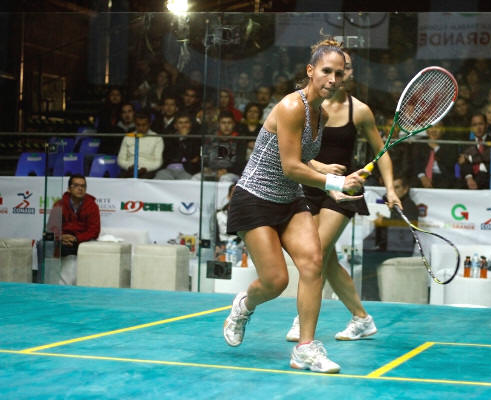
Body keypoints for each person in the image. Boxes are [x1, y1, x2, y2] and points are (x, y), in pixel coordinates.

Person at [223, 38, 367, 374]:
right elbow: (289, 166)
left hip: (290, 198)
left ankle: (305, 348)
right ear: (310, 71)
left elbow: (298, 157)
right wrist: (335, 184)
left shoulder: (320, 113)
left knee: (314, 263)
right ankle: (244, 305)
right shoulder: (291, 106)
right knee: (275, 281)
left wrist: (322, 169)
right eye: (326, 71)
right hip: (255, 198)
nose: (333, 79)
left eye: (339, 73)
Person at [284, 49, 402, 343]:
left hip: (345, 189)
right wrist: (319, 170)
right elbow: (294, 152)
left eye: (344, 69)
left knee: (316, 252)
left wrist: (390, 188)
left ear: (349, 73)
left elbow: (382, 152)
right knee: (326, 260)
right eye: (331, 69)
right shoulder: (305, 106)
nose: (337, 75)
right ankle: (361, 318)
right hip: (311, 184)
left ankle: (302, 319)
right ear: (316, 70)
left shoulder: (359, 111)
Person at [45, 174, 100, 285]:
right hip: (62, 240)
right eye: (76, 185)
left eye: (83, 186)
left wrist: (76, 238)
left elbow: (94, 231)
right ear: (69, 189)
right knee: (44, 245)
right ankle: (47, 282)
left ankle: (66, 284)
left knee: (68, 249)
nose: (80, 188)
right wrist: (61, 237)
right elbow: (52, 227)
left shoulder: (92, 206)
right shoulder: (59, 204)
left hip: (80, 241)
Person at [458, 113, 491, 190]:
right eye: (475, 125)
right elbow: (464, 165)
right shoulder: (466, 145)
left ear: (486, 125)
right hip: (471, 181)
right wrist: (469, 178)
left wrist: (470, 158)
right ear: (471, 128)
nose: (478, 128)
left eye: (481, 124)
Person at [411, 121, 458, 189]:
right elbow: (415, 164)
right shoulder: (419, 143)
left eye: (437, 127)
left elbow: (450, 164)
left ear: (443, 130)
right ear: (426, 130)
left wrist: (436, 147)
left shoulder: (450, 144)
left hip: (444, 177)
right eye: (430, 127)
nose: (433, 130)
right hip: (422, 176)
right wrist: (422, 177)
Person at [154, 113, 201, 180]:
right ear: (175, 126)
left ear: (190, 124)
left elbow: (193, 157)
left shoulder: (196, 138)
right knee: (158, 179)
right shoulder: (169, 138)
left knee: (187, 182)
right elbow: (168, 156)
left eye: (186, 122)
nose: (184, 125)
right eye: (180, 123)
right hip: (168, 169)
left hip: (187, 170)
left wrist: (184, 138)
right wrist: (184, 156)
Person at [117, 112, 164, 179]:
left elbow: (158, 162)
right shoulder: (128, 137)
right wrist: (128, 167)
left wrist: (145, 169)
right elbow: (120, 159)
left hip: (148, 171)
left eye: (144, 125)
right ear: (134, 124)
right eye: (138, 125)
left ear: (149, 124)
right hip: (129, 169)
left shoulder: (157, 138)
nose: (141, 128)